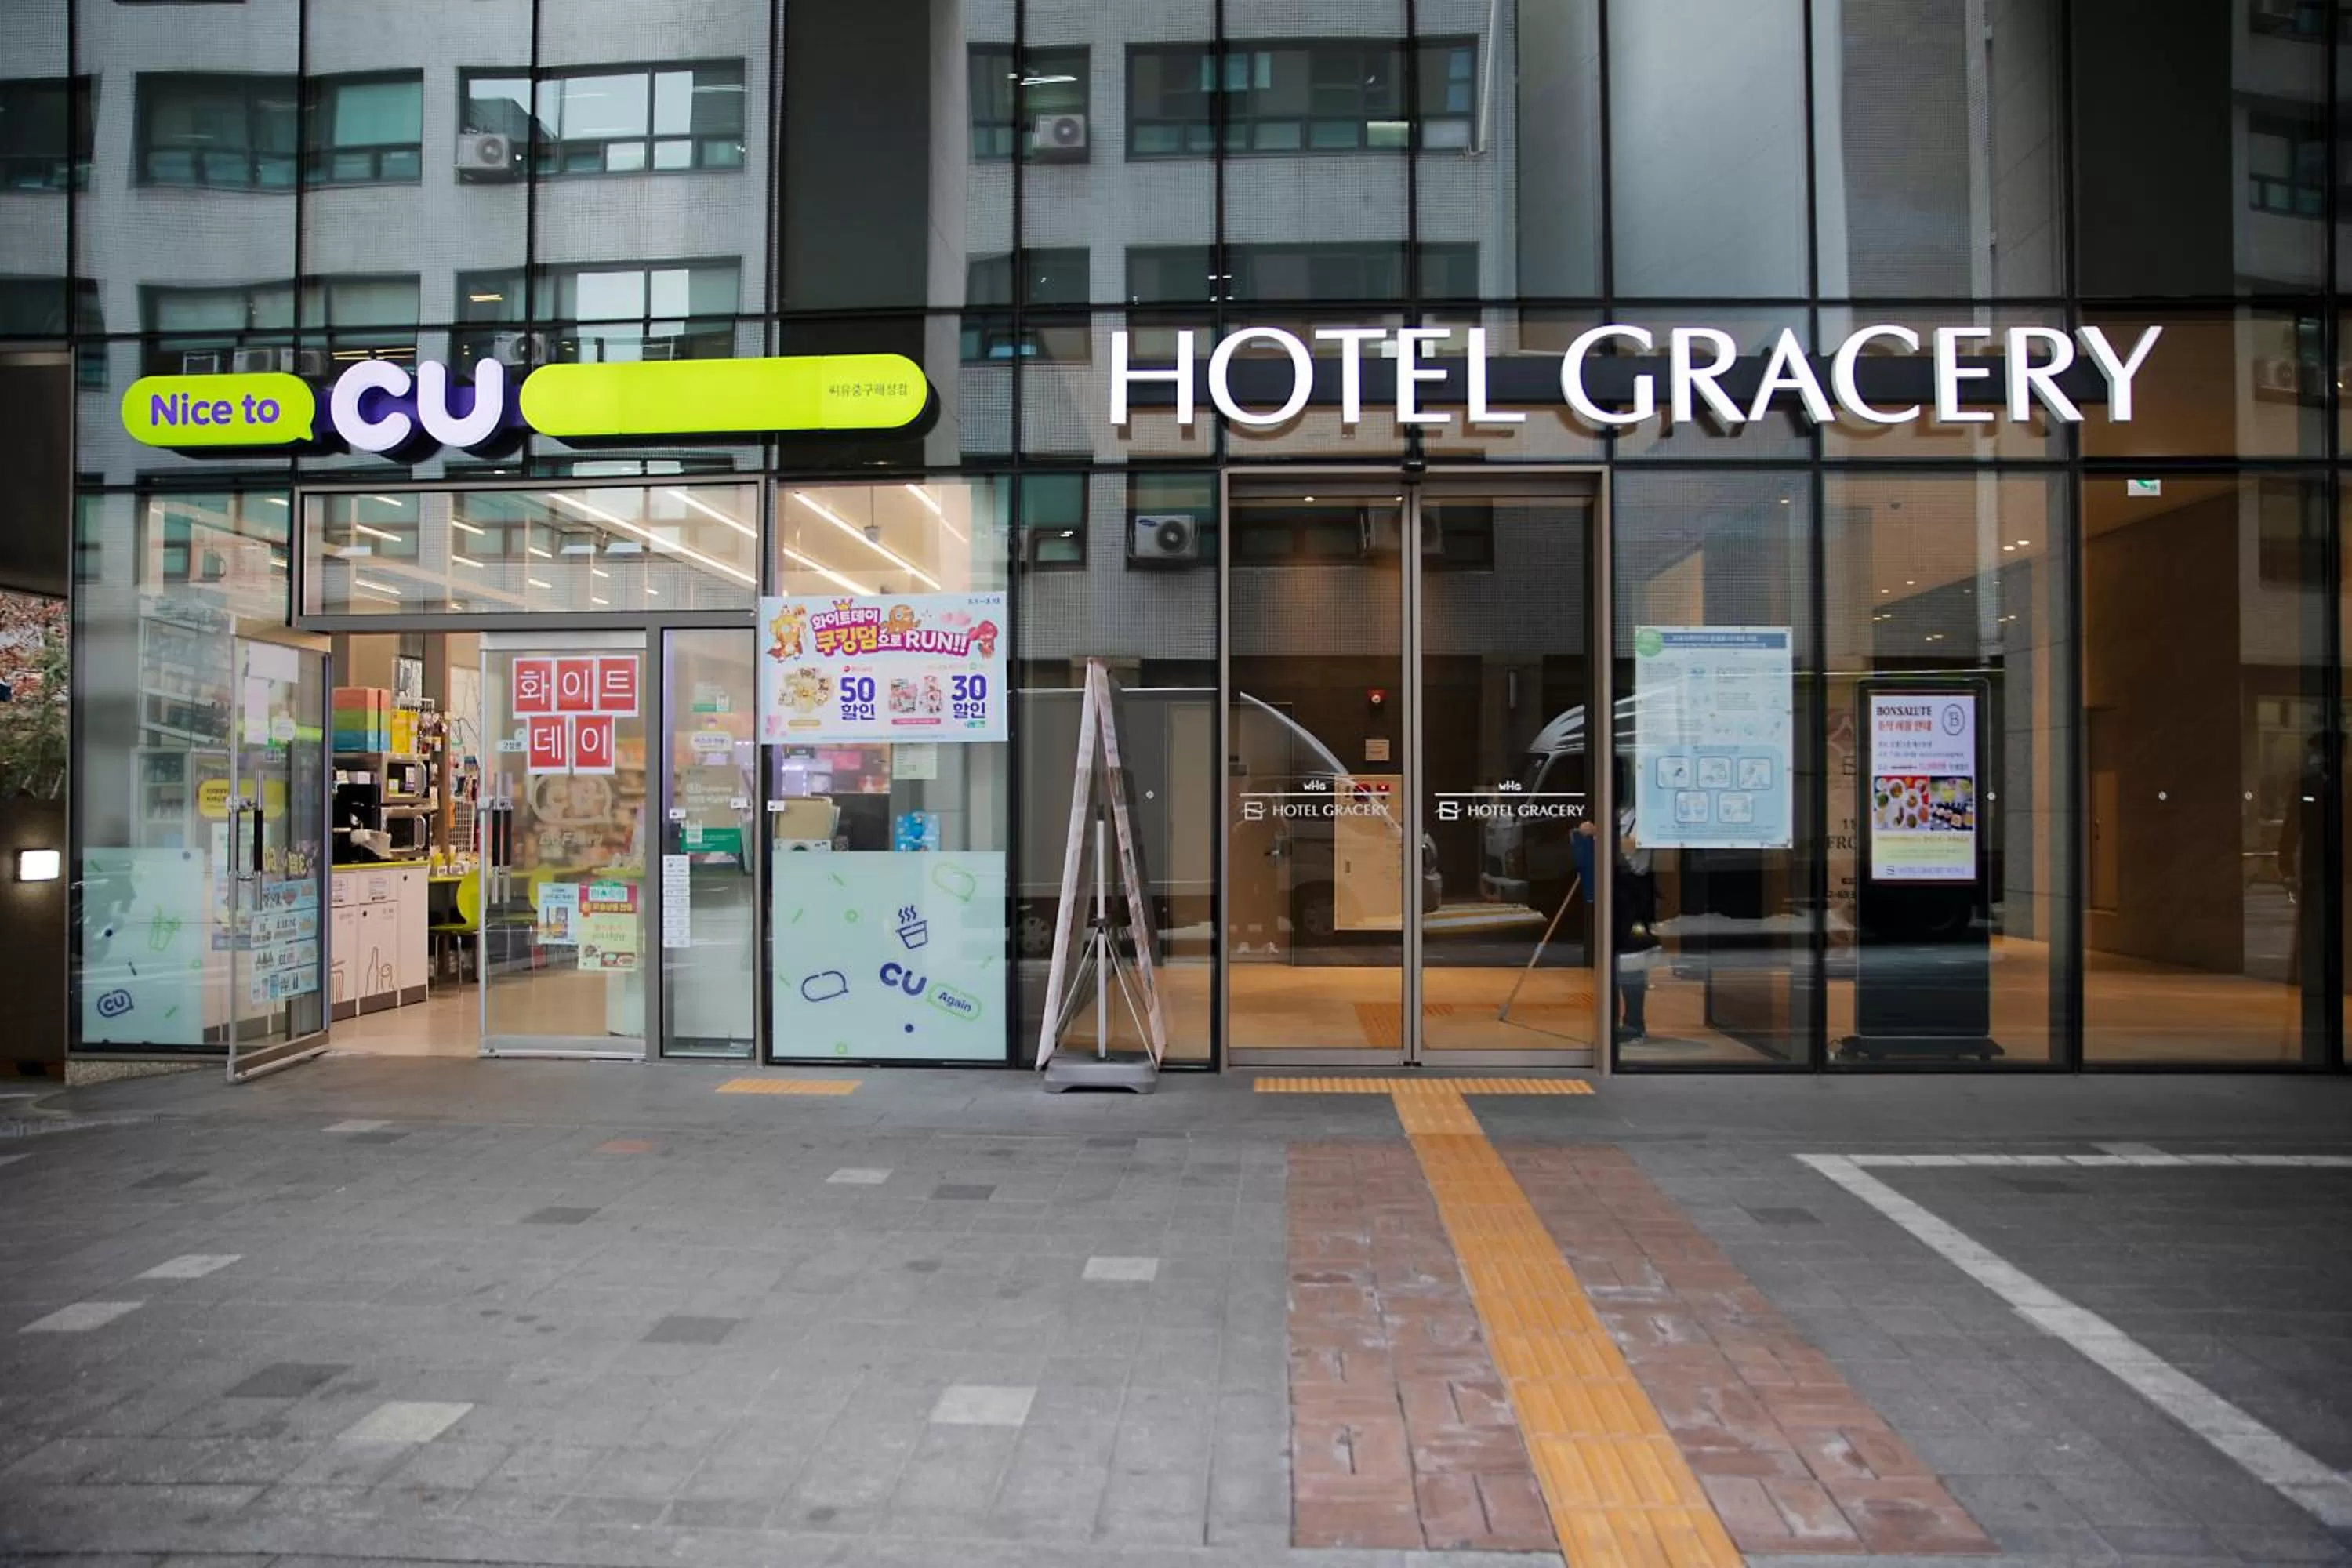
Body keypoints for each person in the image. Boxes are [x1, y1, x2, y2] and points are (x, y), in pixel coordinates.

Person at [1573, 772, 1660, 1044]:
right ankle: (1612, 1025)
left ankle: (1635, 1023)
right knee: (1612, 962)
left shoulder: (1646, 814)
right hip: (1613, 893)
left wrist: (1600, 833)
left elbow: (1635, 845)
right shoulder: (1615, 814)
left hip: (1635, 895)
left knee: (1633, 962)